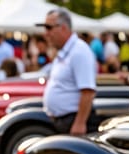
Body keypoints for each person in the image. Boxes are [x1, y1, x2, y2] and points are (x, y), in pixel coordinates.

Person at [37, 8, 97, 136]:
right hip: (64, 121)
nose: (46, 33)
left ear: (63, 28)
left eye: (49, 28)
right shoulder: (67, 51)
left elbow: (88, 91)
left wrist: (80, 123)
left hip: (72, 121)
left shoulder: (79, 51)